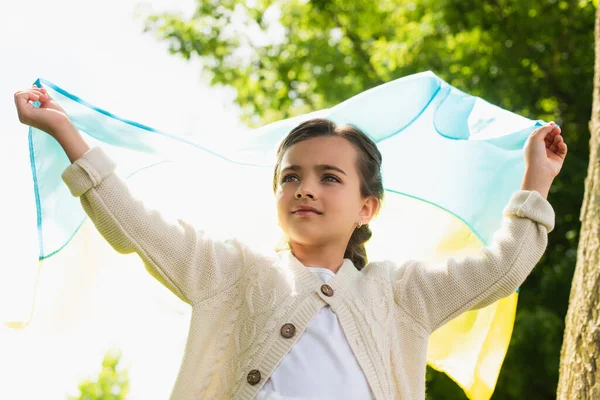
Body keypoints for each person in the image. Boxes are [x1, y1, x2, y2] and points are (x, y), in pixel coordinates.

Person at [13, 84, 567, 400]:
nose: (305, 189)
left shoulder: (401, 293)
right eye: (290, 177)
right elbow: (132, 223)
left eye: (330, 177)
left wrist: (536, 179)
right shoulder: (229, 272)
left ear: (367, 207)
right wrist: (67, 134)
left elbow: (504, 267)